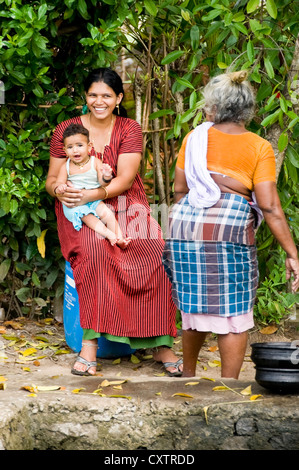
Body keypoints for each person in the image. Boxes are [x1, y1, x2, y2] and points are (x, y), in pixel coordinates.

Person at [46, 67, 183, 377]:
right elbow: (52, 179)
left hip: (124, 201)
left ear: (118, 98)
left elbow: (125, 178)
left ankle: (162, 343)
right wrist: (60, 190)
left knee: (156, 249)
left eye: (106, 95)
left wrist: (94, 192)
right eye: (93, 95)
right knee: (95, 250)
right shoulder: (66, 131)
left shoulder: (129, 128)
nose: (99, 101)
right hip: (79, 210)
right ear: (85, 97)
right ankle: (90, 345)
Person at [162, 70, 299, 379]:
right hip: (229, 227)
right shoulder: (258, 146)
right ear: (247, 110)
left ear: (213, 107)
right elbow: (270, 206)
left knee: (194, 304)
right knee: (233, 310)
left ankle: (189, 378)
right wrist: (292, 254)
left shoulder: (193, 138)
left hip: (184, 224)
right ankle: (228, 389)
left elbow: (180, 191)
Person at [54, 123, 131, 248]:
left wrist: (106, 176)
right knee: (87, 217)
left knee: (107, 214)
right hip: (74, 205)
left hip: (93, 199)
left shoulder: (95, 162)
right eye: (70, 147)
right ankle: (108, 234)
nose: (75, 150)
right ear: (65, 151)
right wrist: (60, 187)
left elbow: (103, 183)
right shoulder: (66, 166)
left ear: (89, 147)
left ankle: (120, 239)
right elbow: (58, 182)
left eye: (79, 145)